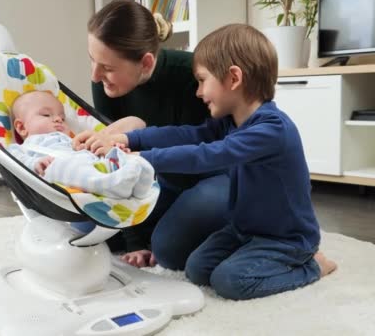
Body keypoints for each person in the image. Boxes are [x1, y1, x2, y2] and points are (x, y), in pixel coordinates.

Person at [92, 23, 337, 300]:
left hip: (285, 237)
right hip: (243, 229)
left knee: (230, 282)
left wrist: (142, 159)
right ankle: (251, 254)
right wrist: (131, 139)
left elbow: (206, 155)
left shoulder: (271, 129)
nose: (198, 92)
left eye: (202, 80)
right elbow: (186, 134)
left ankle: (313, 265)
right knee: (196, 269)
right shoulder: (229, 122)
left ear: (233, 78)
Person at [74, 0, 230, 269]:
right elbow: (116, 164)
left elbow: (207, 149)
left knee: (168, 249)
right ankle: (157, 225)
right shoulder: (104, 83)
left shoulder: (194, 75)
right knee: (81, 226)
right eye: (92, 60)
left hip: (211, 176)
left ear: (145, 63)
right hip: (158, 180)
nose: (96, 75)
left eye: (108, 68)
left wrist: (137, 135)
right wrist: (133, 241)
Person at [7, 90, 154, 200]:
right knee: (61, 167)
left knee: (118, 156)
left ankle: (137, 177)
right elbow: (14, 160)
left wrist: (111, 151)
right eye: (46, 115)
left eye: (62, 118)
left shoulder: (73, 140)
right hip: (58, 174)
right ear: (21, 127)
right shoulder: (24, 147)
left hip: (88, 165)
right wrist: (35, 163)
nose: (58, 119)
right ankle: (118, 186)